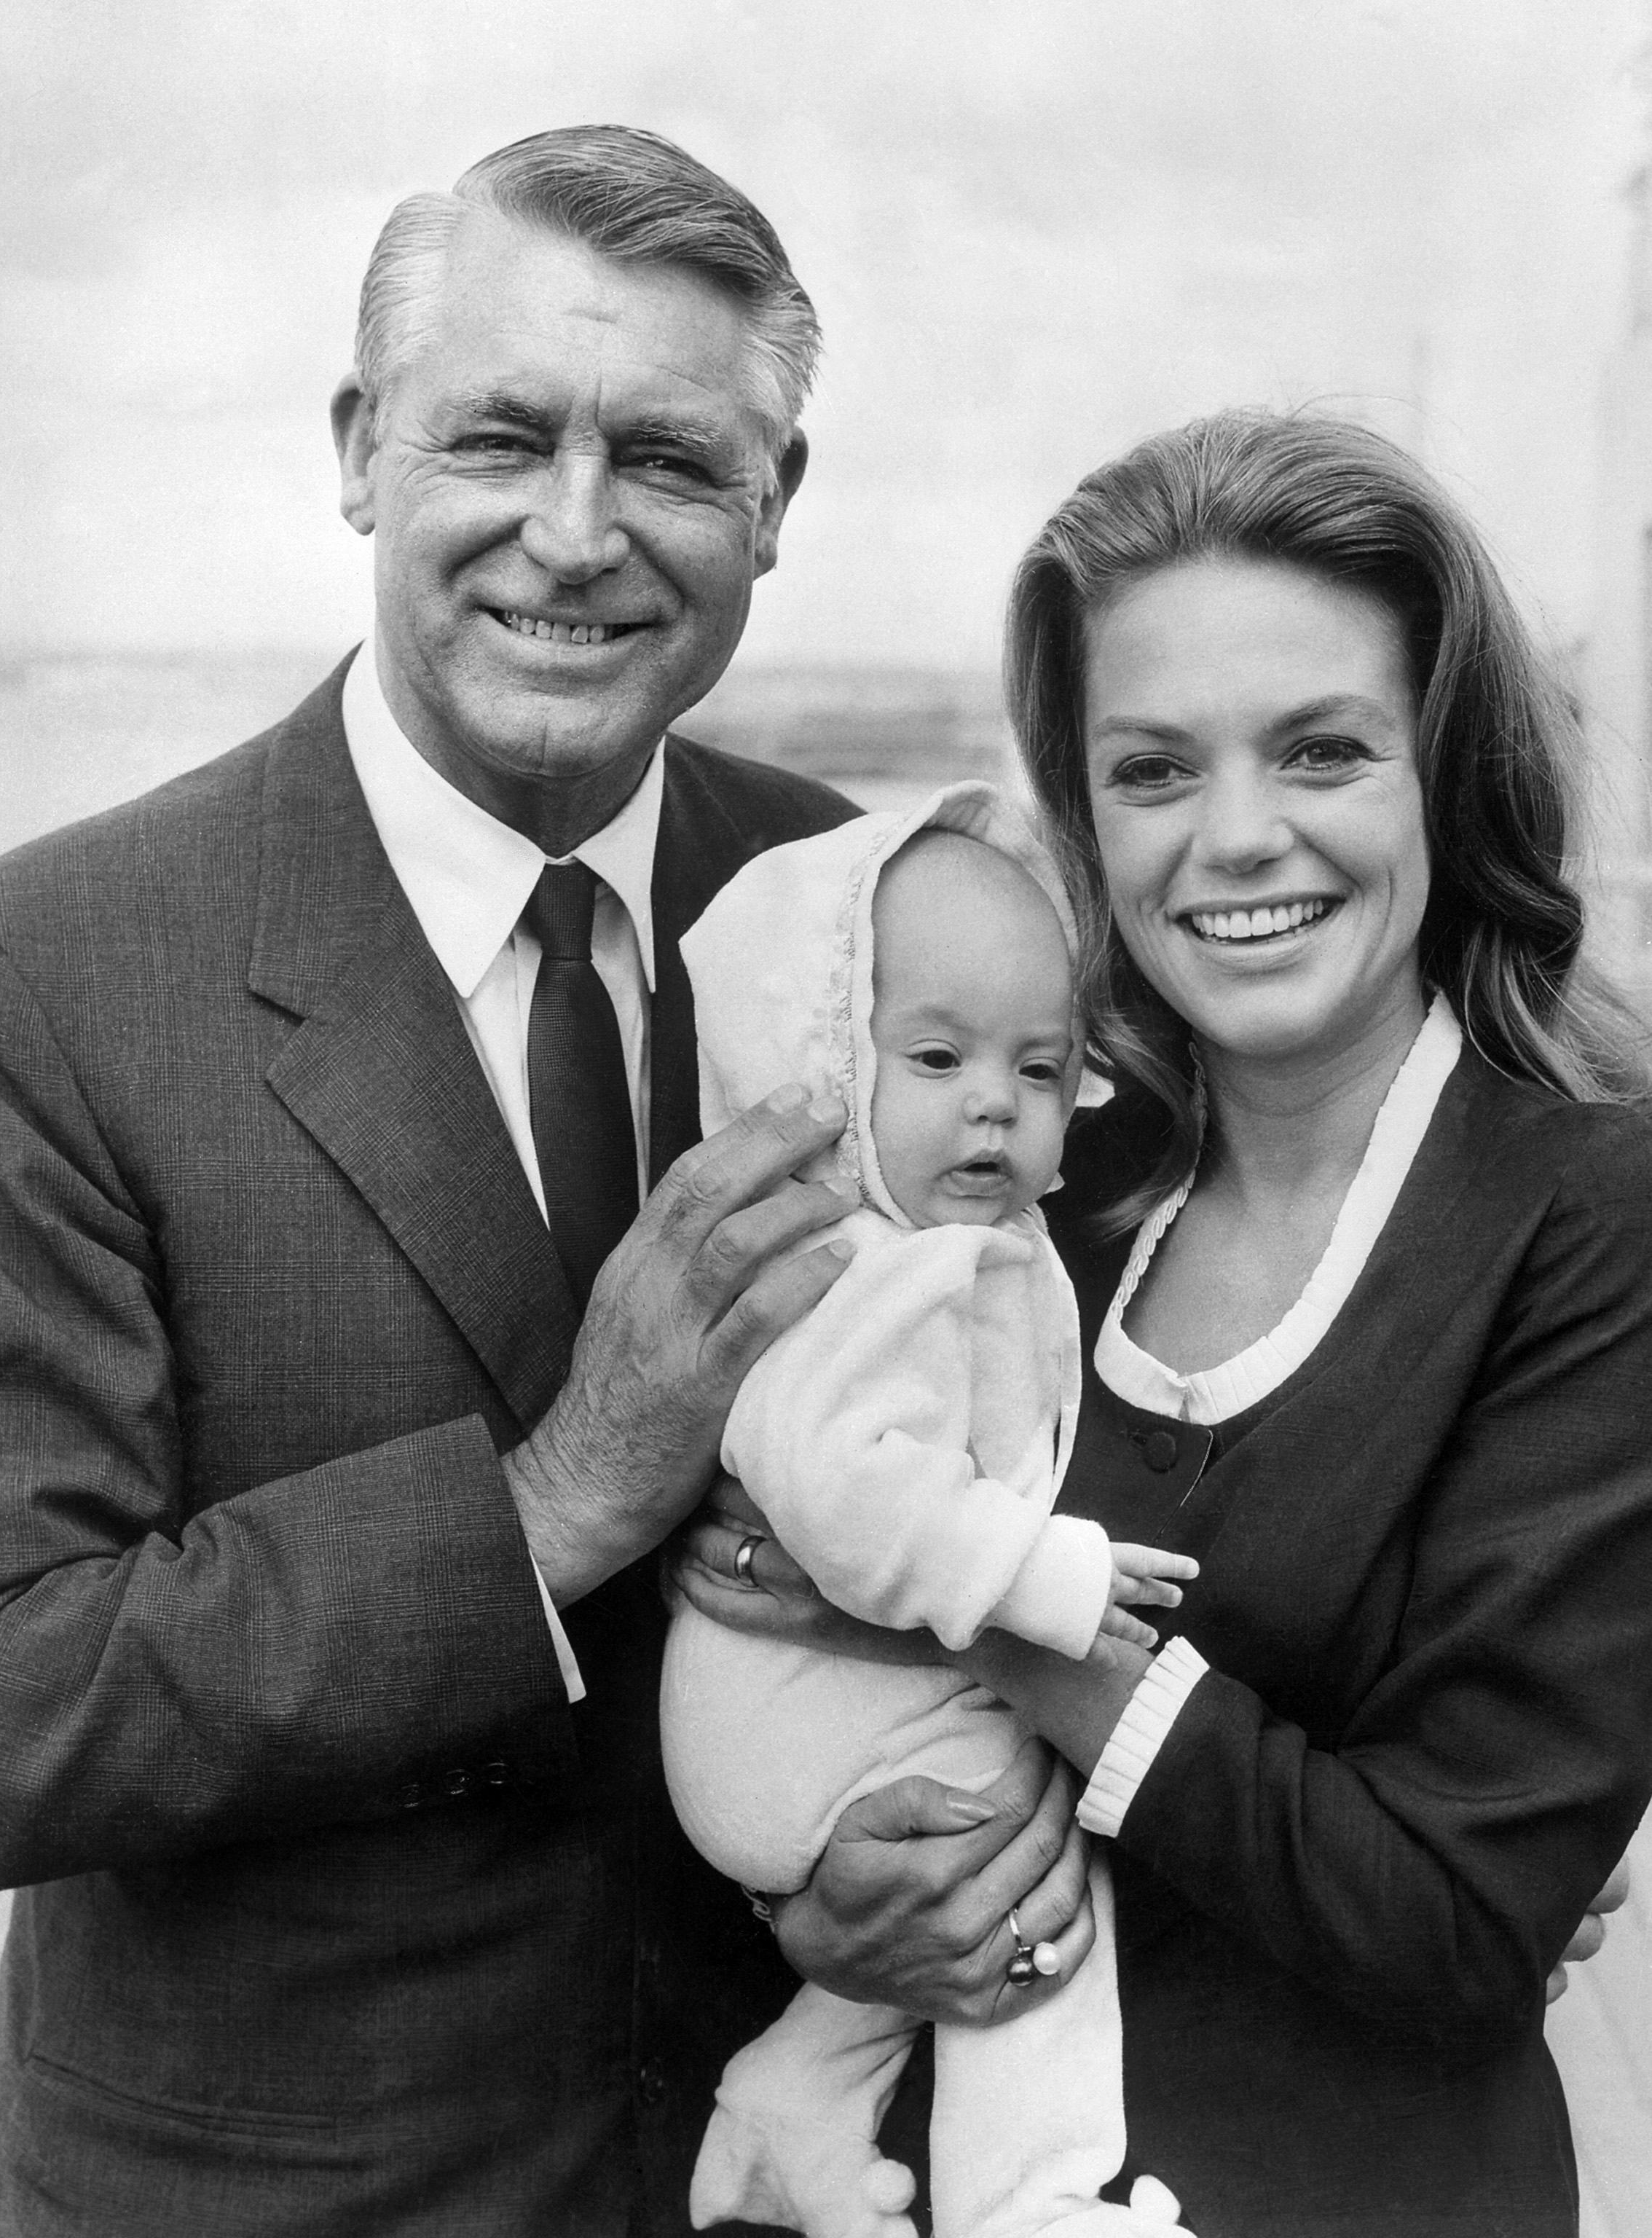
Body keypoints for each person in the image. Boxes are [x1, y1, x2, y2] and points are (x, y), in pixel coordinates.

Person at [0, 126, 1095, 2237]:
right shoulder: (46, 971)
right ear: (357, 452)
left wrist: (1440, 1800)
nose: (574, 537)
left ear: (775, 505)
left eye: (666, 460)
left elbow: (1107, 1375)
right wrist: (557, 1499)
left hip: (790, 2169)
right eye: (500, 436)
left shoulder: (878, 911)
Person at [677, 409, 1652, 2237]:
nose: (1238, 838)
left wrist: (989, 1613)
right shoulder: (1040, 1182)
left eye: (1324, 749)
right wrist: (822, 1905)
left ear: (1444, 768)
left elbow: (1460, 1917)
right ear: (1083, 813)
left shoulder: (1588, 1216)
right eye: (1152, 770)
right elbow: (776, 1597)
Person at [661, 785, 1195, 2238]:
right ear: (825, 1070)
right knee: (1037, 1885)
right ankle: (1034, 2200)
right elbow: (839, 1484)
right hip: (800, 1717)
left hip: (799, 1719)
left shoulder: (952, 1244)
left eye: (1040, 1068)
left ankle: (787, 2110)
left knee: (952, 1884)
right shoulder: (871, 1269)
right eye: (938, 1058)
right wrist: (1037, 1575)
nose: (994, 1104)